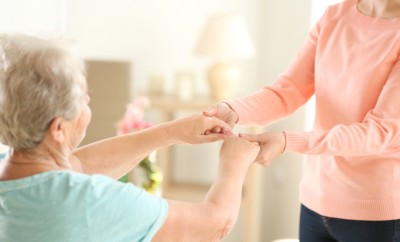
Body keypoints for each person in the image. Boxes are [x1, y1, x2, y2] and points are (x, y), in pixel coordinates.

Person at [0, 33, 260, 242]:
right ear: (57, 129)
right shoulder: (89, 201)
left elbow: (78, 166)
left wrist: (170, 131)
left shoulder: (11, 166)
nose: (89, 101)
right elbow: (213, 225)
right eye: (83, 98)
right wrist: (235, 161)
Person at [204, 0, 400, 241]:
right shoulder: (334, 17)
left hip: (376, 212)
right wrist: (233, 110)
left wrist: (289, 142)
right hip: (315, 201)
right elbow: (288, 91)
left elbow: (380, 131)